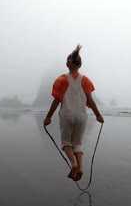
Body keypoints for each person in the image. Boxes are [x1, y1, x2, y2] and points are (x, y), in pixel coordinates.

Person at [44, 44, 104, 181]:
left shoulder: (61, 80)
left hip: (67, 116)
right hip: (82, 117)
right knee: (78, 143)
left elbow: (56, 101)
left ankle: (74, 164)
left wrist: (48, 117)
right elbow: (91, 101)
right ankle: (81, 168)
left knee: (66, 143)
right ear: (80, 65)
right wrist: (98, 116)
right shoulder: (86, 81)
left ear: (67, 64)